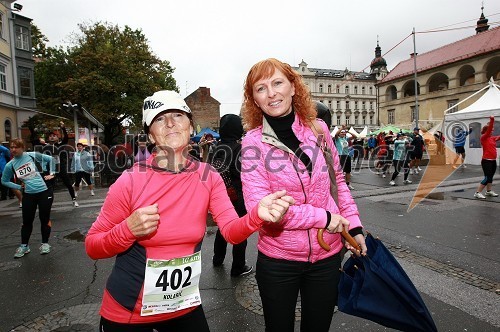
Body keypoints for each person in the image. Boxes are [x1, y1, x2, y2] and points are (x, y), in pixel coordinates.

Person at [85, 90, 294, 331]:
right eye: (160, 119)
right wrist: (126, 230)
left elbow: (231, 232)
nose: (171, 123)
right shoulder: (130, 180)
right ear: (150, 135)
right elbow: (93, 245)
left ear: (191, 126)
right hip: (130, 312)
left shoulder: (207, 176)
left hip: (185, 306)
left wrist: (256, 215)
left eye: (177, 115)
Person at [240, 58, 366, 332]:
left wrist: (353, 226)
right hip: (279, 259)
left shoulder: (318, 130)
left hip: (328, 254)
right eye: (261, 88)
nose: (271, 93)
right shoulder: (252, 143)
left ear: (294, 87)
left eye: (277, 83)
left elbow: (338, 184)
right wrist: (323, 217)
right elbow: (262, 207)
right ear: (255, 100)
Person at [211, 114, 253, 277]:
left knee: (222, 227)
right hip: (237, 195)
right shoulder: (239, 149)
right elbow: (244, 173)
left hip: (220, 194)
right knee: (240, 230)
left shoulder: (216, 147)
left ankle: (217, 258)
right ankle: (238, 266)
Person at [1, 138, 56, 257]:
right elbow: (4, 180)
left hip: (45, 191)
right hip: (29, 194)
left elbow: (51, 159)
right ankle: (24, 246)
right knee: (27, 221)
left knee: (44, 218)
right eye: (11, 147)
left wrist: (52, 173)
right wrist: (19, 187)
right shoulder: (10, 165)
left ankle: (45, 243)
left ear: (22, 148)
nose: (13, 149)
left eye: (16, 147)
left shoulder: (32, 155)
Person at [43, 122, 78, 207]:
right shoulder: (46, 147)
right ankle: (48, 202)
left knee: (68, 184)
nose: (52, 137)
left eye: (54, 136)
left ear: (57, 138)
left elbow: (66, 138)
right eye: (50, 136)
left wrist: (63, 128)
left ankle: (74, 199)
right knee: (49, 186)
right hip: (51, 168)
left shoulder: (61, 145)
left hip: (60, 167)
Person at [474, 116, 500, 199]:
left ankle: (488, 191)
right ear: (486, 131)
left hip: (493, 161)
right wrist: (492, 120)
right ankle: (477, 192)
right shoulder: (484, 138)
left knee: (490, 177)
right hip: (486, 161)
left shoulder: (492, 138)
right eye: (491, 130)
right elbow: (489, 130)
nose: (492, 132)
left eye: (492, 131)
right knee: (487, 177)